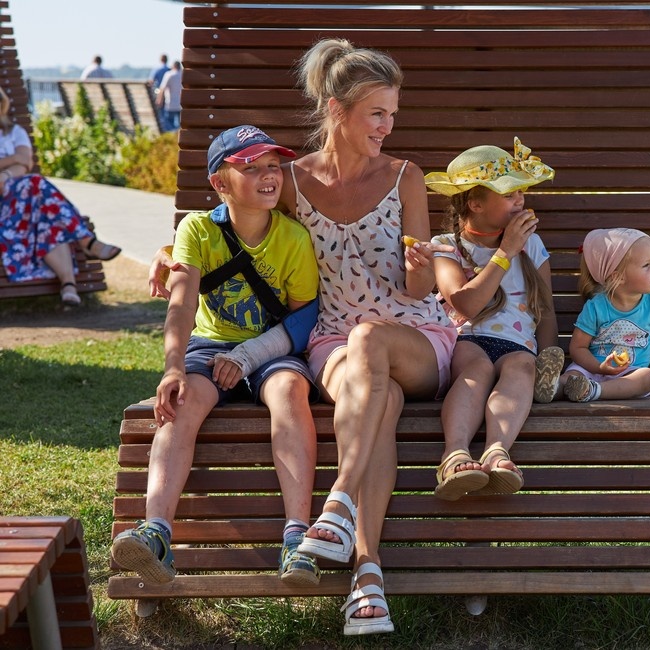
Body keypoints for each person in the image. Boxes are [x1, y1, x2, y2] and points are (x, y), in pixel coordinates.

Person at [148, 38, 457, 636]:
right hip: (332, 344)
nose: (388, 127)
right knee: (378, 399)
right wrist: (168, 252)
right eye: (377, 113)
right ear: (337, 111)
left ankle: (337, 501)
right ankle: (367, 573)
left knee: (372, 341)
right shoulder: (289, 180)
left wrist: (421, 271)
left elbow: (422, 289)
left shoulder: (407, 178)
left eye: (393, 114)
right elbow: (230, 221)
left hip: (414, 335)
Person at [111, 125, 323, 589]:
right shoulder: (197, 229)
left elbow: (304, 320)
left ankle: (297, 539)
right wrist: (172, 367)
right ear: (220, 184)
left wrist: (252, 354)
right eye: (251, 168)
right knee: (181, 403)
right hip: (209, 347)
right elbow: (182, 302)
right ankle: (157, 533)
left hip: (270, 350)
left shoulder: (293, 238)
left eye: (273, 167)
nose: (269, 176)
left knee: (290, 389)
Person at [424, 138, 564, 501]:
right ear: (475, 202)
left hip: (519, 344)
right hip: (467, 341)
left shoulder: (532, 245)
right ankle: (454, 454)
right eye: (509, 193)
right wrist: (505, 253)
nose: (521, 200)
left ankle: (497, 451)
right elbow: (465, 305)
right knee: (478, 372)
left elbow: (545, 309)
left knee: (522, 368)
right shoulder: (445, 246)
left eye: (521, 192)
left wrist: (550, 360)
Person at [0, 87, 121, 306]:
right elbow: (18, 160)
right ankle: (86, 242)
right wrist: (11, 166)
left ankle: (68, 286)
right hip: (7, 208)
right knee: (37, 184)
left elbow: (24, 160)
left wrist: (6, 175)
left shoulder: (13, 132)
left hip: (24, 201)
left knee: (48, 219)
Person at [553, 228, 650, 402]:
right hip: (591, 369)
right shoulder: (596, 306)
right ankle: (551, 388)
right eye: (646, 265)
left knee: (649, 378)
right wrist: (600, 368)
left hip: (629, 374)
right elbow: (577, 348)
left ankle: (593, 391)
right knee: (569, 377)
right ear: (619, 277)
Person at [156, 61, 182, 132]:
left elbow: (162, 88)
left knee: (169, 124)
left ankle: (173, 136)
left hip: (170, 103)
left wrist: (159, 100)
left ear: (173, 66)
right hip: (181, 104)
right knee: (180, 124)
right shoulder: (183, 74)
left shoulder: (169, 74)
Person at [148, 54, 170, 129]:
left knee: (160, 111)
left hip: (158, 92)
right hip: (167, 93)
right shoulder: (169, 69)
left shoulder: (156, 69)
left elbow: (151, 81)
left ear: (160, 60)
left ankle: (162, 127)